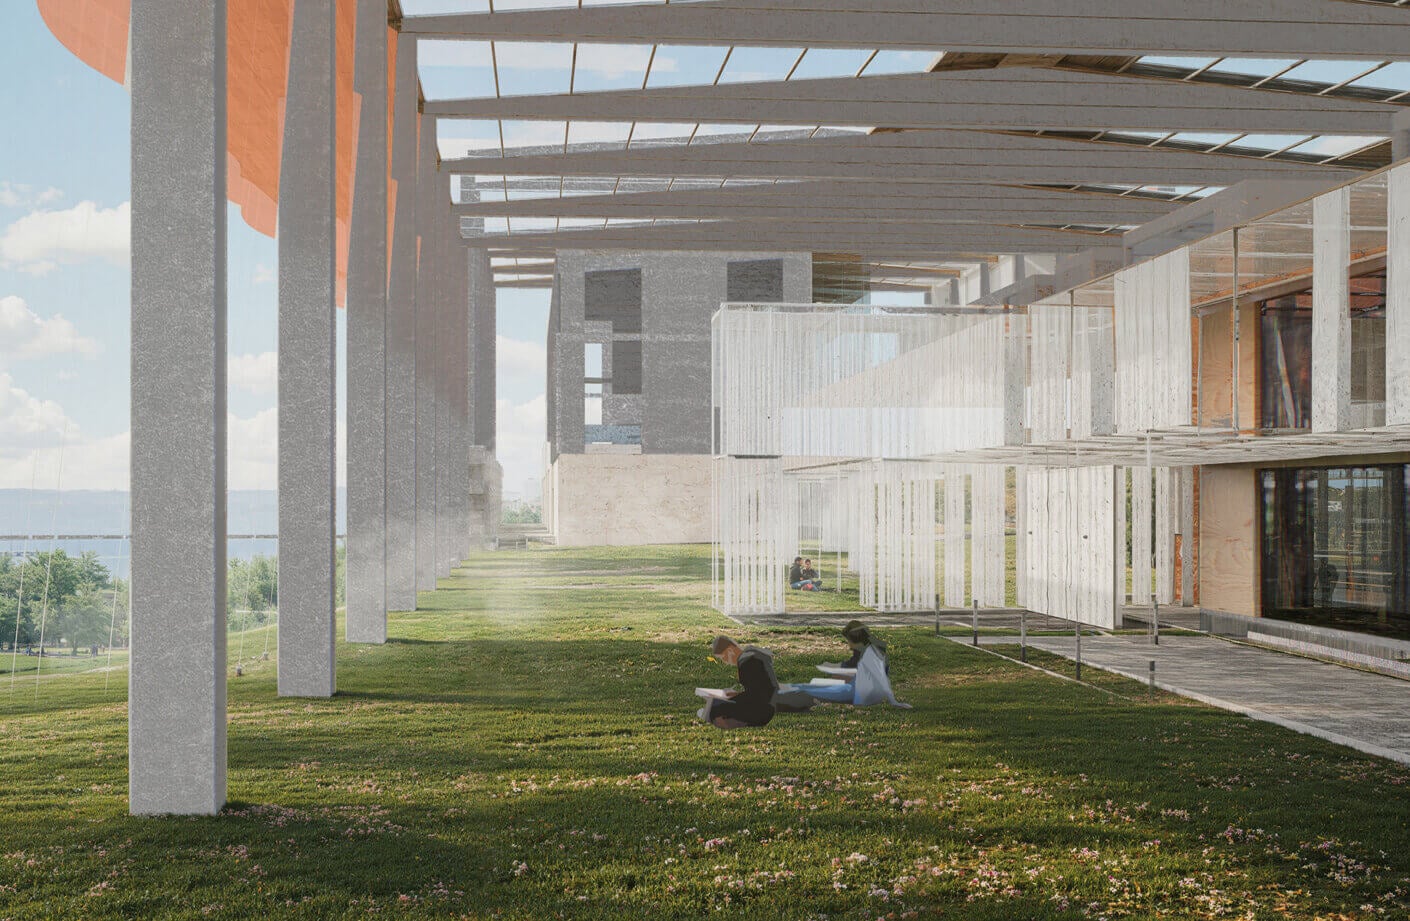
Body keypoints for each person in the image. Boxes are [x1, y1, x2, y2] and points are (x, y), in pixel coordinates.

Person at [699, 636, 816, 728]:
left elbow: (758, 695)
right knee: (718, 705)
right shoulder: (751, 653)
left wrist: (732, 698)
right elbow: (759, 688)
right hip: (768, 701)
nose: (725, 662)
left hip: (764, 708)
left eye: (723, 658)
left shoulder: (747, 662)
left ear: (729, 651)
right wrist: (737, 695)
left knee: (716, 707)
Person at [801, 621, 911, 708]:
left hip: (859, 695)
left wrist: (894, 702)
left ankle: (789, 691)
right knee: (814, 683)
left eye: (848, 641)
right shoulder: (870, 649)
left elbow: (882, 678)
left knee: (809, 689)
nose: (848, 645)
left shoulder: (870, 654)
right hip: (859, 689)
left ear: (855, 640)